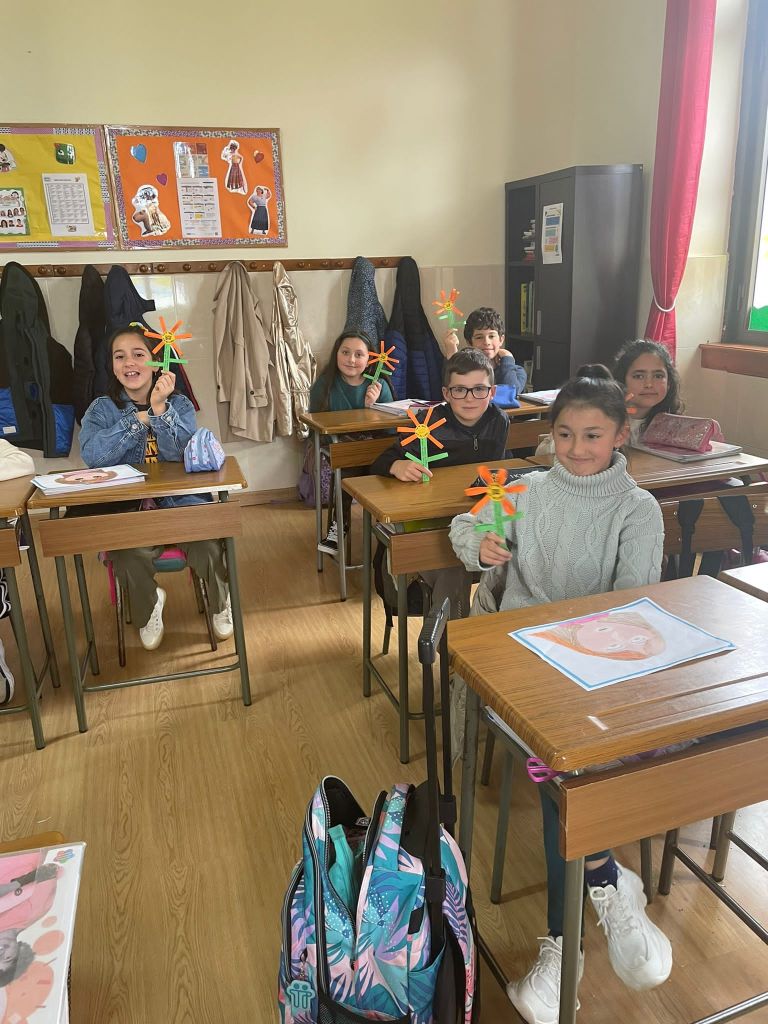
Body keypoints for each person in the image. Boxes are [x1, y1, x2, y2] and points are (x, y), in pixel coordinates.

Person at [449, 365, 670, 1024]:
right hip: (520, 665)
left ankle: (564, 939)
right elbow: (464, 526)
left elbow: (631, 610)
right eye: (566, 434)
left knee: (565, 768)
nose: (576, 448)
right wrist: (482, 543)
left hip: (597, 671)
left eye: (593, 435)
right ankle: (603, 883)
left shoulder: (637, 510)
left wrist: (580, 655)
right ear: (552, 434)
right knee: (560, 765)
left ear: (621, 434)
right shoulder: (527, 490)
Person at [79, 325, 233, 652]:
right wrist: (138, 420)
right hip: (127, 507)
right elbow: (93, 457)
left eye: (138, 354)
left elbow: (182, 454)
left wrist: (160, 410)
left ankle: (221, 601)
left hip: (180, 500)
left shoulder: (180, 404)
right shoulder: (101, 409)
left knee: (208, 542)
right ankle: (149, 606)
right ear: (112, 366)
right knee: (126, 554)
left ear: (155, 361)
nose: (129, 363)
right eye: (119, 357)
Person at [371, 348, 509, 619]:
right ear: (446, 393)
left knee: (514, 555)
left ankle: (487, 631)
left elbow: (495, 472)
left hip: (474, 516)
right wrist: (397, 465)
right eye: (459, 390)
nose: (469, 398)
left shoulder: (498, 421)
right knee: (451, 562)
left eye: (479, 389)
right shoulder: (427, 423)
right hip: (431, 521)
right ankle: (449, 638)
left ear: (492, 392)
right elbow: (381, 461)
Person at [309, 331, 394, 555]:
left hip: (377, 452)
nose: (351, 360)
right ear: (336, 354)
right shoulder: (324, 385)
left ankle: (390, 528)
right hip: (343, 452)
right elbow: (317, 428)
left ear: (370, 358)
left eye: (359, 354)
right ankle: (338, 527)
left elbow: (390, 431)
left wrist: (372, 409)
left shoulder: (379, 385)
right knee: (346, 469)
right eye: (345, 352)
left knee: (393, 471)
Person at [440, 306, 527, 392]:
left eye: (491, 336)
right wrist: (451, 353)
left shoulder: (515, 371)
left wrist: (507, 358)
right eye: (479, 337)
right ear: (469, 342)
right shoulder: (464, 369)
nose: (486, 342)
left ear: (501, 340)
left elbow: (509, 393)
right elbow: (452, 390)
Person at [613, 338, 683, 444]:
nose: (649, 384)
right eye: (639, 376)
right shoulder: (605, 419)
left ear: (669, 383)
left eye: (658, 376)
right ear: (622, 380)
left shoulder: (673, 423)